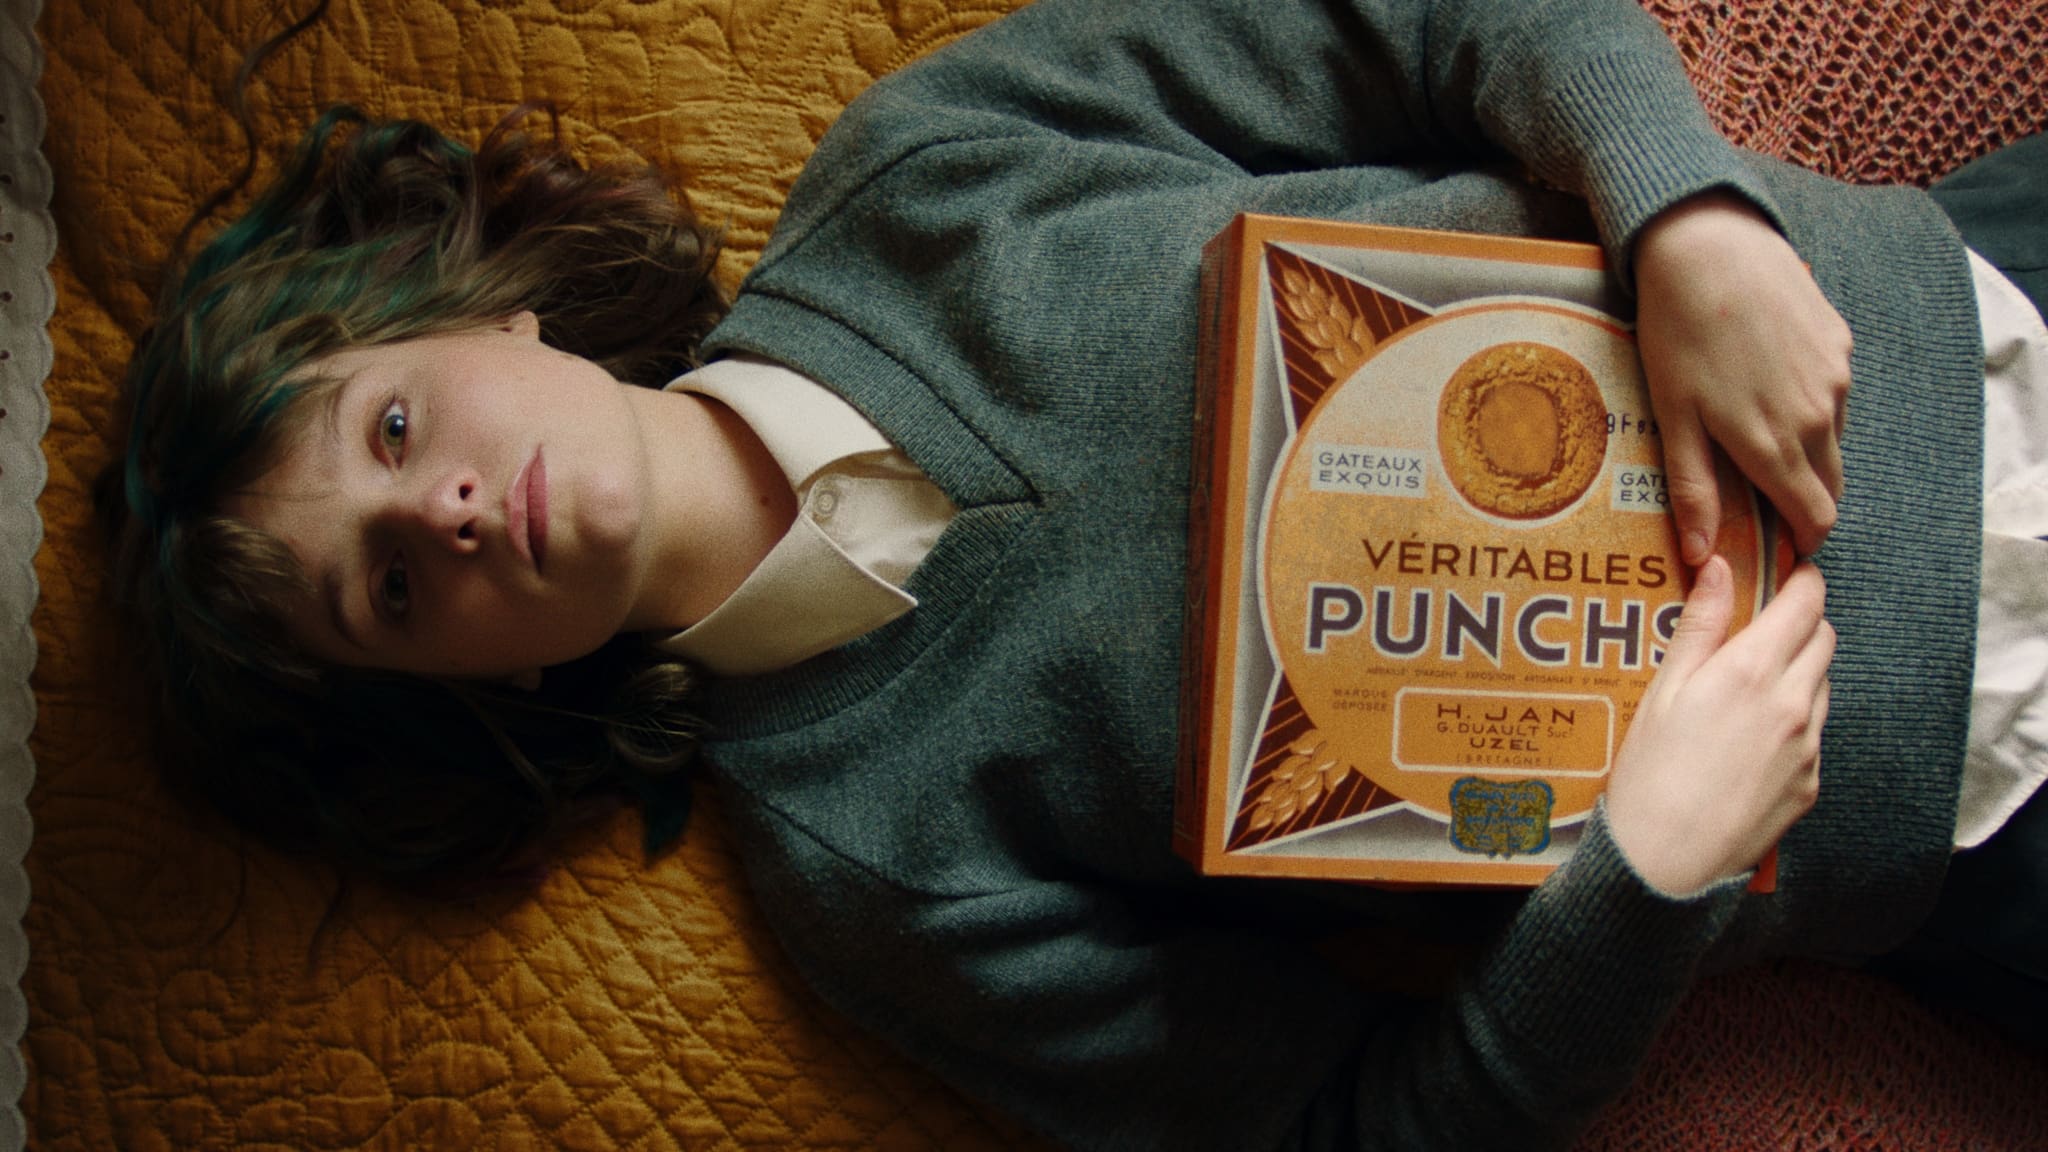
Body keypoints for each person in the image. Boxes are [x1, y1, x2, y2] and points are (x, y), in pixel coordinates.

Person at [99, 0, 2042, 1147]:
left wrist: (1679, 205)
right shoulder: (874, 880)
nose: (440, 513)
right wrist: (1641, 882)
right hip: (1974, 820)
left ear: (486, 316)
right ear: (472, 688)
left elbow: (1424, 12)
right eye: (387, 593)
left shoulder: (925, 171)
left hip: (1966, 304)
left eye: (391, 428)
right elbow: (1364, 1131)